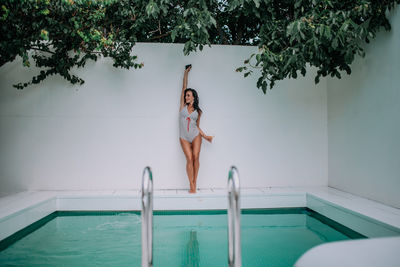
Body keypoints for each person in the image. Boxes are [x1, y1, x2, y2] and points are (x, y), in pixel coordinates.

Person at [179, 65, 213, 193]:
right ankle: (191, 185)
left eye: (188, 95)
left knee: (196, 156)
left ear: (193, 97)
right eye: (186, 95)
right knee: (189, 158)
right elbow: (183, 88)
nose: (186, 97)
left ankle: (194, 184)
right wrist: (185, 73)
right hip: (184, 137)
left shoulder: (198, 111)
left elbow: (197, 126)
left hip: (195, 136)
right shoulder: (182, 107)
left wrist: (206, 137)